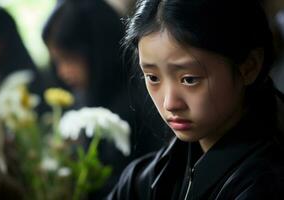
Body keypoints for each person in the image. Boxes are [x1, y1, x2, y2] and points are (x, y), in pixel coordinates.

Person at [107, 0, 284, 199]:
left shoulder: (267, 183)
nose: (169, 104)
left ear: (249, 67)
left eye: (189, 80)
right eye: (153, 77)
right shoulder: (148, 177)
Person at [42, 0, 165, 198]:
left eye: (70, 58)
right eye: (57, 60)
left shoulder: (141, 101)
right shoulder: (85, 95)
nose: (62, 71)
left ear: (98, 49)